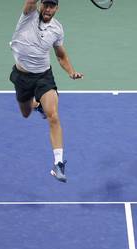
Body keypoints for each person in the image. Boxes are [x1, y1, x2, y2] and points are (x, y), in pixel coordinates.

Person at [9, 0, 83, 183]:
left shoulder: (57, 29)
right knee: (26, 112)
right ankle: (37, 104)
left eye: (52, 6)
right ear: (40, 5)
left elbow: (60, 55)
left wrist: (71, 72)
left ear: (57, 8)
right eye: (46, 5)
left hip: (43, 76)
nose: (48, 9)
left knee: (54, 116)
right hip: (22, 76)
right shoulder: (28, 16)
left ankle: (58, 164)